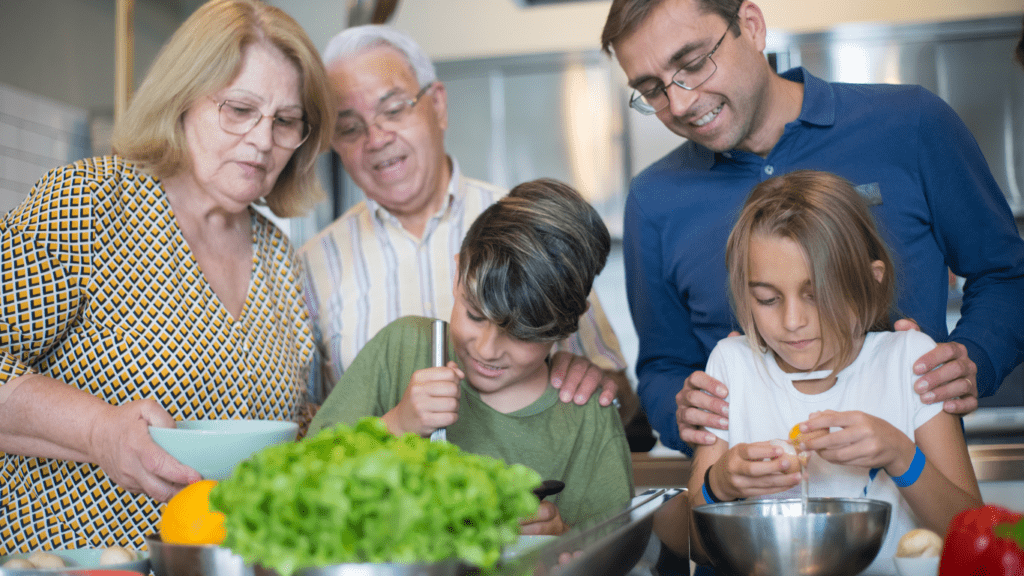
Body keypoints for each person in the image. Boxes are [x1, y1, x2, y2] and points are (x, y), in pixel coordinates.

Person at [600, 0, 1024, 454]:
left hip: (921, 494)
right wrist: (682, 411)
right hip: (756, 510)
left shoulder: (911, 123)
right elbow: (664, 367)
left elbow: (1006, 275)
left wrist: (976, 357)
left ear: (751, 26)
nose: (679, 103)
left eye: (694, 64)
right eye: (652, 90)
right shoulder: (653, 199)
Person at [0, 0, 331, 554]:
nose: (262, 139)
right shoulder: (90, 203)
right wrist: (99, 431)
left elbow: (293, 427)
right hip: (71, 564)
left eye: (285, 120)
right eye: (239, 109)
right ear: (182, 99)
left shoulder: (278, 256)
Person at [299, 25, 655, 450]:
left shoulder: (529, 232)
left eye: (393, 109)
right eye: (349, 127)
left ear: (438, 104)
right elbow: (314, 431)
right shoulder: (310, 264)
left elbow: (625, 406)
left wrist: (599, 383)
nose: (376, 139)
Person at [686, 170, 982, 575]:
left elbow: (973, 538)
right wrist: (718, 484)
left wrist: (900, 454)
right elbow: (696, 543)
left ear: (872, 283)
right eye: (768, 299)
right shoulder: (731, 365)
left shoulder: (909, 361)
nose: (793, 321)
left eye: (817, 295)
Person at [308, 179, 635, 534]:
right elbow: (304, 476)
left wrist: (562, 538)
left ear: (567, 325)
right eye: (475, 315)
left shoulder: (586, 415)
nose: (486, 349)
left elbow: (613, 548)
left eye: (521, 333)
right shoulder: (400, 349)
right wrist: (396, 425)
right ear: (458, 271)